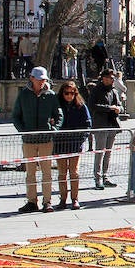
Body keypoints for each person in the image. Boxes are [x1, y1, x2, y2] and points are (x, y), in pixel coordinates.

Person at [10, 67, 62, 213]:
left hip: (46, 139)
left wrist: (54, 129)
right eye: (39, 80)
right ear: (31, 78)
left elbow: (59, 114)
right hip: (29, 140)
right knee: (30, 173)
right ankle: (32, 201)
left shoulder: (51, 95)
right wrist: (23, 131)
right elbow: (16, 116)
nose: (41, 82)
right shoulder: (23, 95)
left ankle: (47, 202)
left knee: (47, 172)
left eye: (44, 80)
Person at [53, 81, 92, 210]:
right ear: (62, 93)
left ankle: (75, 199)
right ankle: (63, 199)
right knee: (62, 172)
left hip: (75, 143)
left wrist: (81, 139)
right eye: (66, 93)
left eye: (72, 93)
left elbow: (88, 124)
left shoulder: (81, 106)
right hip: (60, 143)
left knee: (74, 172)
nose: (69, 96)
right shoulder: (57, 105)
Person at [87, 68, 124, 189]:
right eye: (110, 77)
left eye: (113, 77)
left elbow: (119, 105)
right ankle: (97, 178)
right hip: (100, 124)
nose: (112, 79)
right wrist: (109, 108)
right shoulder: (96, 90)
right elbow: (92, 106)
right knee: (99, 152)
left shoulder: (113, 91)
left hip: (112, 124)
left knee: (108, 152)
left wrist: (119, 108)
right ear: (104, 78)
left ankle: (105, 175)